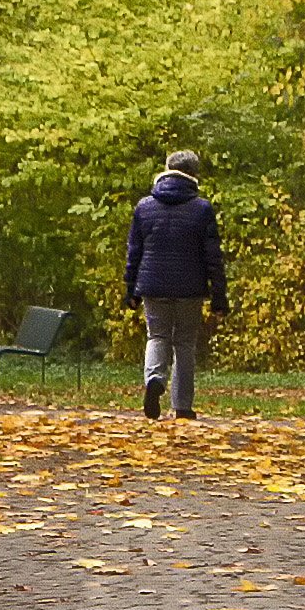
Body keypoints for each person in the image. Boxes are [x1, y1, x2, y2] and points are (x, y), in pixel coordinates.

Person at [123, 149, 228, 420]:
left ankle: (154, 379)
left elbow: (134, 251)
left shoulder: (144, 206)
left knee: (157, 336)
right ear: (193, 175)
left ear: (167, 169)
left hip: (152, 284)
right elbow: (212, 257)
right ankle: (182, 406)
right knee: (184, 344)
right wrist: (219, 296)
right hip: (189, 288)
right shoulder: (202, 208)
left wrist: (130, 289)